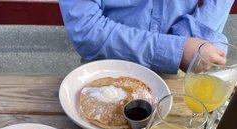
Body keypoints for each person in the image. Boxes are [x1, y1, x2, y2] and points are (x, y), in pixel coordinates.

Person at [59, 0, 234, 74]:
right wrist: (175, 50)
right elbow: (87, 31)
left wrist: (189, 39)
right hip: (106, 67)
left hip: (182, 72)